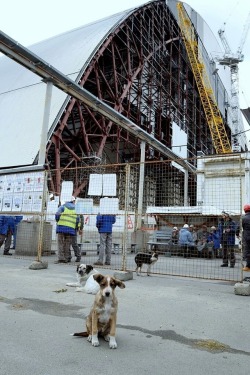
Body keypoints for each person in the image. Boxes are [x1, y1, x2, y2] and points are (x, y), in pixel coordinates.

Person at [55, 196, 80, 264]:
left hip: (61, 227)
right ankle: (66, 258)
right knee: (67, 244)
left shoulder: (62, 207)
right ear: (73, 201)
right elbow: (78, 220)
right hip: (70, 229)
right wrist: (75, 227)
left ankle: (61, 258)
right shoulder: (76, 209)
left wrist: (58, 221)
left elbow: (57, 214)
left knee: (60, 243)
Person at [241, 204, 250, 272]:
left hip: (247, 237)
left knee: (247, 251)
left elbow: (241, 227)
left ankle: (248, 266)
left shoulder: (243, 218)